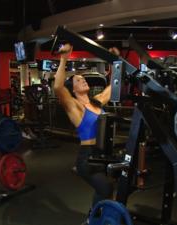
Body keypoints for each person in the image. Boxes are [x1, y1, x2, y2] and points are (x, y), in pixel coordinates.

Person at [53, 44, 119, 223]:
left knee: (109, 188)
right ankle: (93, 219)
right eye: (78, 80)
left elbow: (114, 86)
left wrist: (114, 63)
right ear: (73, 90)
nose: (83, 81)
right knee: (105, 188)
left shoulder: (97, 103)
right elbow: (58, 87)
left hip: (103, 154)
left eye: (84, 79)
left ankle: (99, 215)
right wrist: (64, 58)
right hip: (87, 158)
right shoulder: (75, 107)